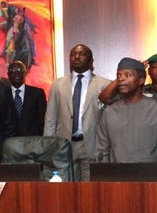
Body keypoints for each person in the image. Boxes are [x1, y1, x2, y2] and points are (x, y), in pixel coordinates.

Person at [95, 58, 157, 176]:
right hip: (117, 180)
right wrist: (108, 177)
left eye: (127, 75)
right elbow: (101, 150)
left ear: (141, 80)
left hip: (151, 179)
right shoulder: (109, 112)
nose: (121, 79)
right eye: (119, 75)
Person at [44, 44, 111, 181]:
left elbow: (109, 120)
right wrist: (49, 146)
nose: (76, 57)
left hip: (93, 145)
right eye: (73, 54)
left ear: (91, 60)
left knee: (91, 189)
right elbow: (51, 117)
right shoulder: (58, 84)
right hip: (64, 146)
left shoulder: (104, 84)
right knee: (67, 189)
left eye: (82, 54)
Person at [7, 60, 46, 136]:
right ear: (8, 75)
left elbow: (43, 119)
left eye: (20, 70)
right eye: (13, 70)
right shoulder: (3, 94)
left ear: (25, 73)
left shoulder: (37, 94)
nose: (17, 73)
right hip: (9, 139)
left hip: (33, 139)